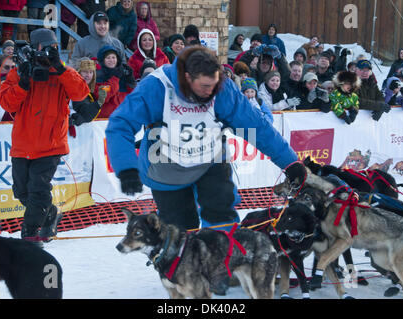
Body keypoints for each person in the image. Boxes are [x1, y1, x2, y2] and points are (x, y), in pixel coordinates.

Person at [105, 45, 304, 233]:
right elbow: (121, 124)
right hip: (166, 163)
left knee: (221, 220)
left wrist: (290, 162)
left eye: (213, 86)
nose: (209, 92)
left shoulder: (223, 90)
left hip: (210, 160)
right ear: (187, 78)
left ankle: (221, 263)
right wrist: (126, 168)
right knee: (178, 233)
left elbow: (256, 127)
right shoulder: (157, 87)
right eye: (203, 87)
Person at [0, 28, 89, 245]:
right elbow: (7, 103)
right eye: (44, 47)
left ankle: (30, 233)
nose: (47, 51)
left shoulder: (62, 71)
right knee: (22, 192)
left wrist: (59, 67)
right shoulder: (20, 71)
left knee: (38, 189)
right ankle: (50, 213)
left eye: (52, 47)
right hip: (23, 144)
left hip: (51, 145)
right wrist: (23, 82)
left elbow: (81, 93)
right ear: (34, 47)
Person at [96, 45, 136, 118]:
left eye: (113, 57)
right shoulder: (98, 76)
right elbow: (105, 95)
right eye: (108, 58)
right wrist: (115, 78)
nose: (111, 60)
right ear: (102, 60)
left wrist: (131, 81)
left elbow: (132, 96)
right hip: (104, 120)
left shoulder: (122, 72)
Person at [69, 58, 104, 130]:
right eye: (85, 72)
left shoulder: (88, 90)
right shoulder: (75, 89)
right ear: (78, 72)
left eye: (91, 72)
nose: (88, 75)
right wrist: (99, 102)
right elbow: (86, 114)